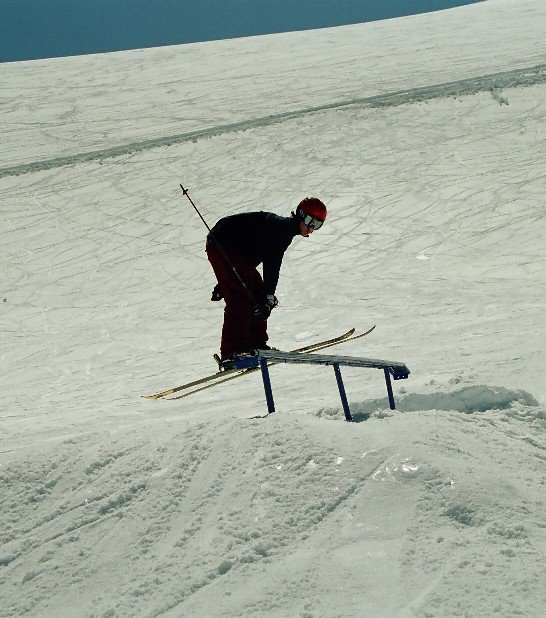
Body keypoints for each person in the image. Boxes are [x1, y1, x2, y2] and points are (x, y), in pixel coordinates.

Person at [206, 197, 327, 369]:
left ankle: (256, 345)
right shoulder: (280, 229)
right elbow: (272, 264)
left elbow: (253, 254)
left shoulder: (282, 230)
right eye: (310, 221)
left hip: (234, 249)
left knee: (257, 293)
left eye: (318, 224)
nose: (311, 228)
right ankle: (232, 353)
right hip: (221, 242)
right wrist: (269, 295)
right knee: (242, 298)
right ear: (300, 215)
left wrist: (228, 283)